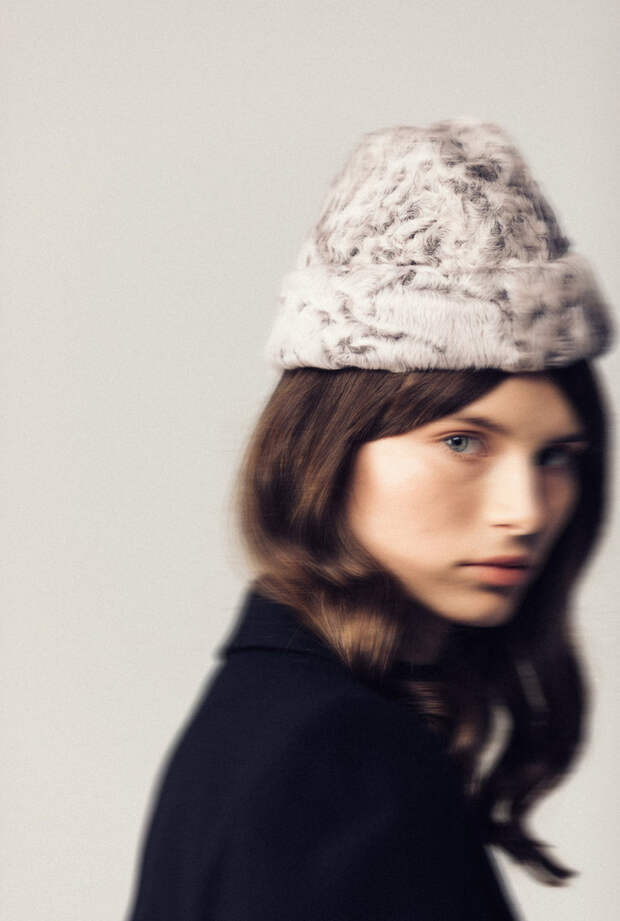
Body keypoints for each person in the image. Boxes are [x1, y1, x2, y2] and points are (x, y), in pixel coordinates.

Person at [124, 116, 616, 920]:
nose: (526, 511)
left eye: (557, 456)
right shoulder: (336, 756)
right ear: (327, 448)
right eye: (463, 441)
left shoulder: (274, 710)